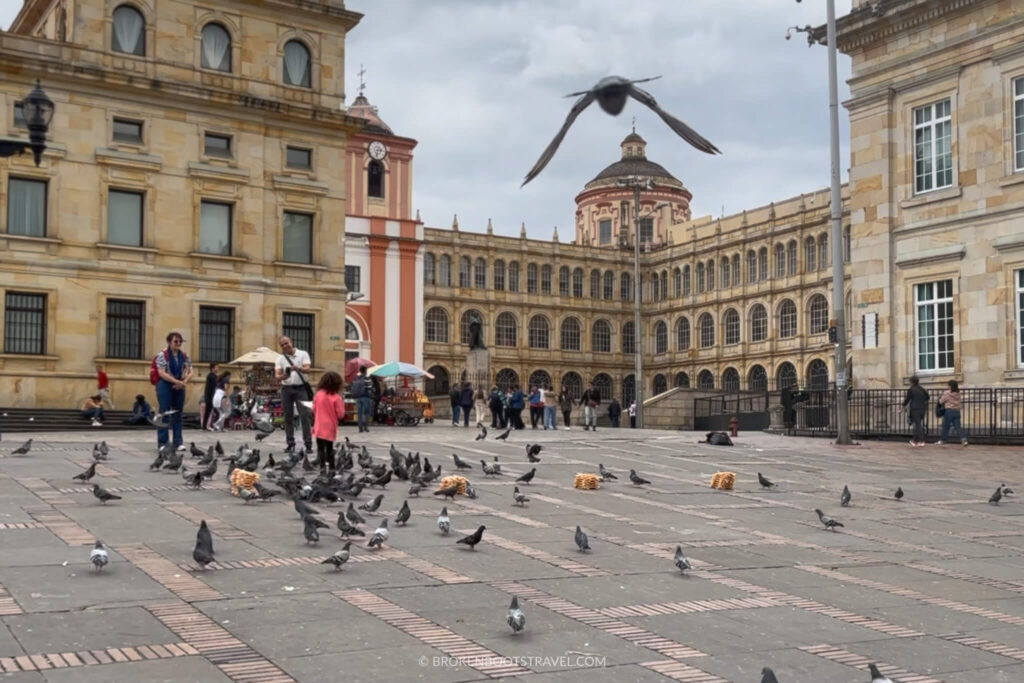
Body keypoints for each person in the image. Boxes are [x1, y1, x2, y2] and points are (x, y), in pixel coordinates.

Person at [154, 331, 192, 451]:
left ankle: (177, 442)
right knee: (164, 412)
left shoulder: (184, 356)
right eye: (176, 341)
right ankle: (163, 443)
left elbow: (191, 371)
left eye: (180, 341)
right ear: (169, 342)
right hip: (165, 384)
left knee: (177, 413)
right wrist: (176, 382)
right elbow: (161, 372)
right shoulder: (162, 355)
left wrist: (183, 382)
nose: (178, 343)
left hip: (179, 385)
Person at [275, 335, 313, 454]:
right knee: (288, 417)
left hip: (301, 389)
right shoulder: (280, 359)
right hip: (286, 389)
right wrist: (283, 376)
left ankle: (308, 444)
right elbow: (277, 375)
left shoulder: (303, 354)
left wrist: (298, 368)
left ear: (291, 342)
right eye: (282, 345)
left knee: (305, 416)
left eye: (286, 343)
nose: (285, 346)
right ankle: (290, 444)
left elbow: (308, 369)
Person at [312, 370, 346, 470]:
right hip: (330, 426)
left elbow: (313, 409)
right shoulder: (336, 397)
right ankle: (331, 467)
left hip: (319, 425)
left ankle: (322, 467)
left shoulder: (318, 394)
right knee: (329, 448)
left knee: (320, 448)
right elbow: (340, 414)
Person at [936, 379, 967, 446]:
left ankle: (942, 440)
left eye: (948, 385)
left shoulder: (947, 393)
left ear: (950, 386)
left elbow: (941, 401)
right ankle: (963, 440)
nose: (948, 386)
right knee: (958, 427)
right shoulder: (958, 393)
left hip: (949, 411)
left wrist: (939, 398)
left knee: (945, 426)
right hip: (957, 411)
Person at [902, 376, 929, 447]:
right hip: (922, 408)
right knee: (918, 424)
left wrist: (902, 406)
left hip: (915, 409)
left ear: (911, 382)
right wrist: (922, 401)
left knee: (917, 425)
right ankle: (915, 440)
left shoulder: (911, 390)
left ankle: (921, 440)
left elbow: (907, 399)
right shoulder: (922, 389)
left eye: (910, 382)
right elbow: (928, 397)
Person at [351, 366, 372, 433]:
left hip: (358, 398)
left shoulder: (356, 378)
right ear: (365, 371)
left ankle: (360, 428)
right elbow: (370, 388)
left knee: (359, 413)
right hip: (366, 397)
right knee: (367, 412)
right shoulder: (367, 378)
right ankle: (365, 427)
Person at [202, 362, 220, 430]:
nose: (218, 369)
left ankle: (206, 426)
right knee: (213, 411)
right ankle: (212, 425)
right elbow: (215, 385)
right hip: (210, 397)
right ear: (213, 368)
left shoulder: (213, 376)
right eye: (217, 367)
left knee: (210, 411)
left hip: (211, 396)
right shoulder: (211, 376)